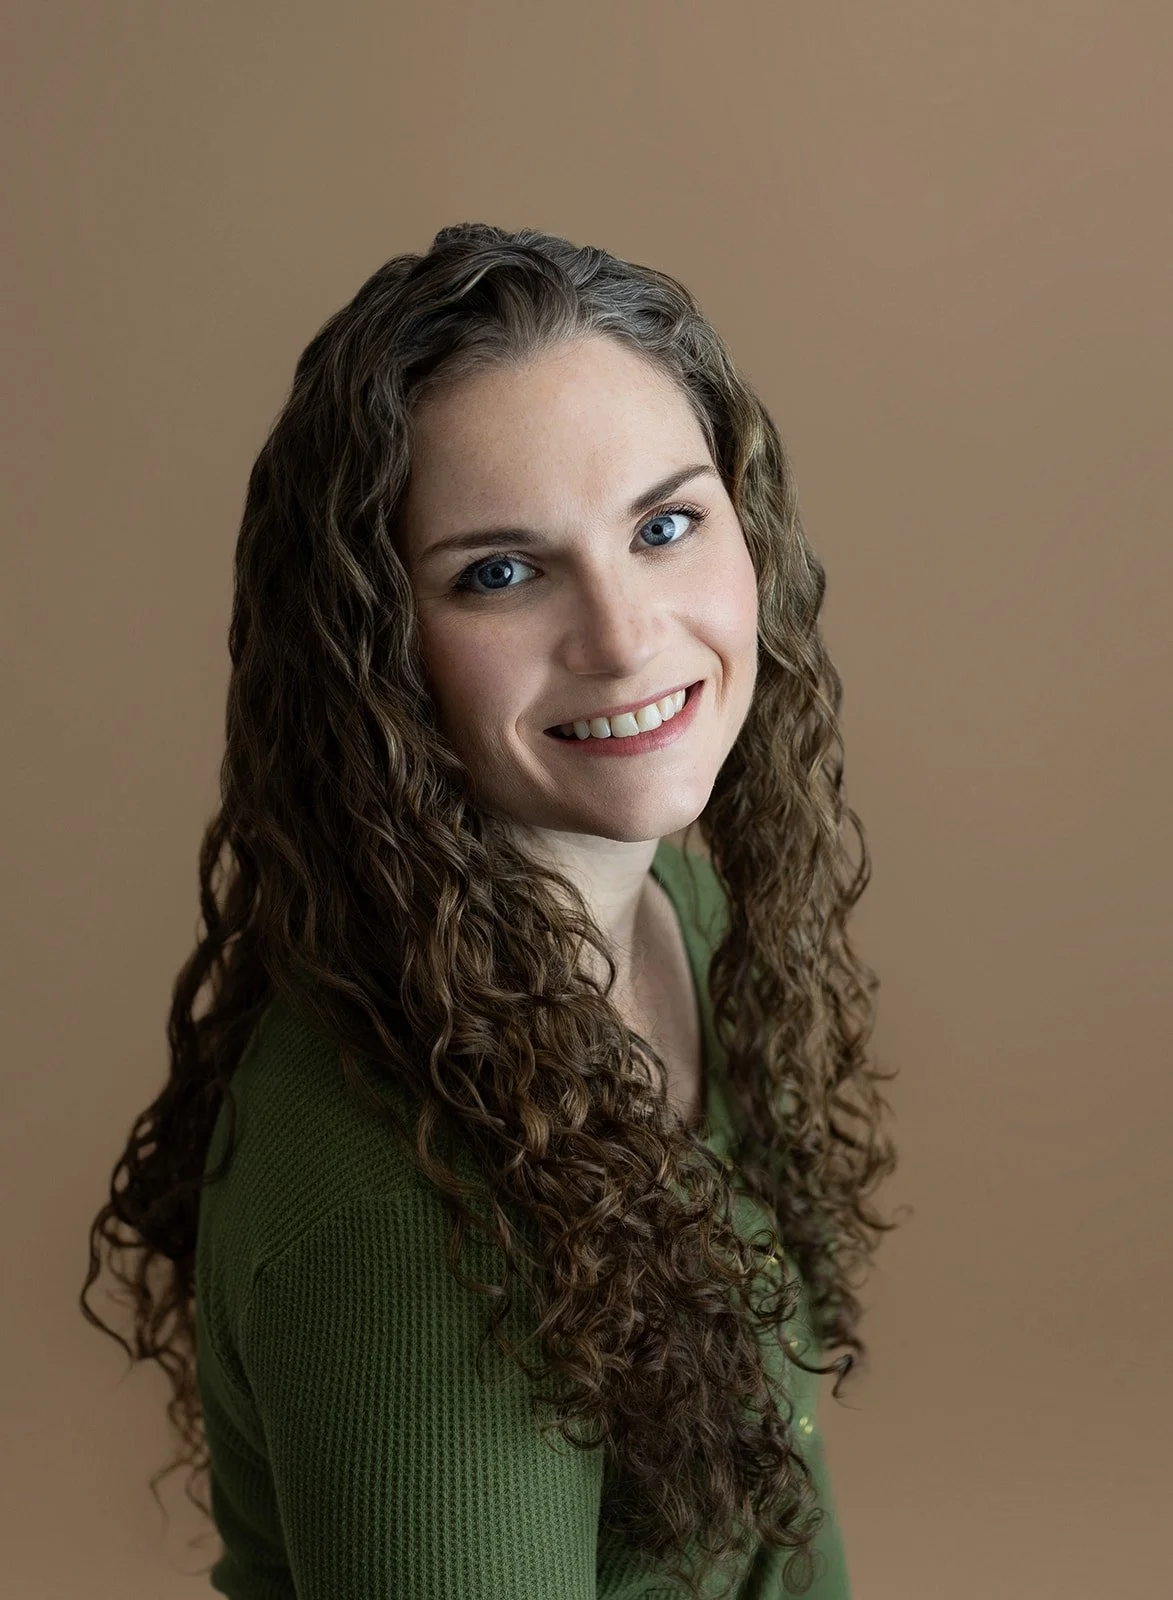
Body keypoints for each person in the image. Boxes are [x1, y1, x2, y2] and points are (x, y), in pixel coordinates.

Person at [80, 223, 900, 1598]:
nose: (626, 635)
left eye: (664, 524)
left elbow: (780, 1529)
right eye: (501, 573)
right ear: (377, 653)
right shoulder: (413, 1209)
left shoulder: (677, 910)